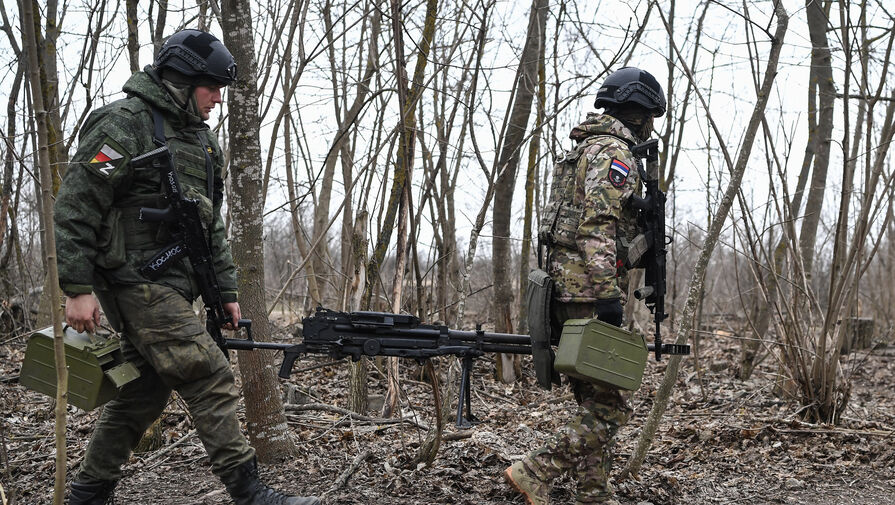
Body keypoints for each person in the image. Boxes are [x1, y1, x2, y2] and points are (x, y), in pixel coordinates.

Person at [55, 29, 319, 505]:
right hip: (132, 280)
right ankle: (250, 493)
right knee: (207, 372)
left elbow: (208, 225)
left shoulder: (202, 141)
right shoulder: (122, 125)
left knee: (143, 393)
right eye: (211, 88)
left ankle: (87, 495)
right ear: (181, 80)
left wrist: (227, 292)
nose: (218, 99)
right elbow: (77, 205)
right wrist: (76, 287)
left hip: (174, 287)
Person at [505, 67, 666, 505]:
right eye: (649, 115)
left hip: (566, 290)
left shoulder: (582, 151)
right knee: (611, 408)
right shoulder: (614, 155)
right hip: (588, 296)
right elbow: (596, 227)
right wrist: (609, 295)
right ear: (638, 114)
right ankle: (535, 469)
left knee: (594, 401)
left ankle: (594, 494)